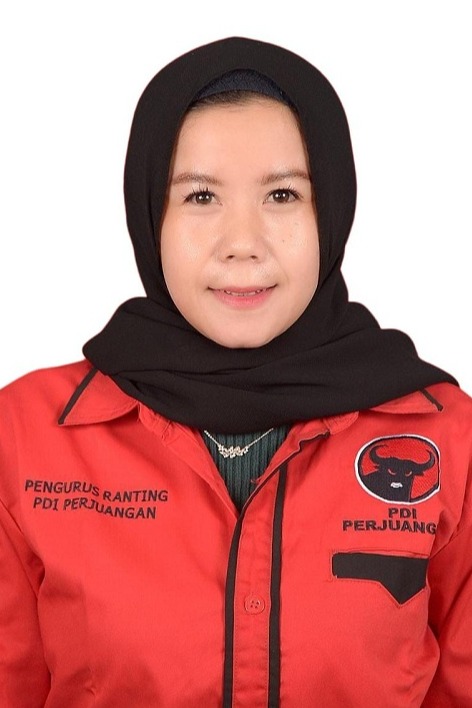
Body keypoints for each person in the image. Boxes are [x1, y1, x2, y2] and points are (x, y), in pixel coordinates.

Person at [0, 36, 471, 707]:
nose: (243, 244)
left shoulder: (449, 440)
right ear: (149, 213)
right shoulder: (25, 436)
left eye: (282, 194)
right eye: (200, 197)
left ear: (332, 209)